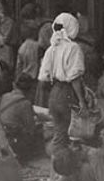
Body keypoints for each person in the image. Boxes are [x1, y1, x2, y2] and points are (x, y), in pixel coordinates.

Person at [37, 12, 87, 147]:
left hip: (54, 93)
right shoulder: (73, 48)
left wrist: (50, 96)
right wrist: (82, 101)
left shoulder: (51, 49)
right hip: (68, 93)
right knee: (72, 135)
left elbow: (43, 79)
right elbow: (75, 77)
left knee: (59, 132)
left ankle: (58, 162)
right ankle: (63, 164)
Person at [15, 24, 41, 102]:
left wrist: (17, 79)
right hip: (35, 78)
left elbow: (18, 66)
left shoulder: (22, 47)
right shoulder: (38, 46)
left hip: (24, 78)